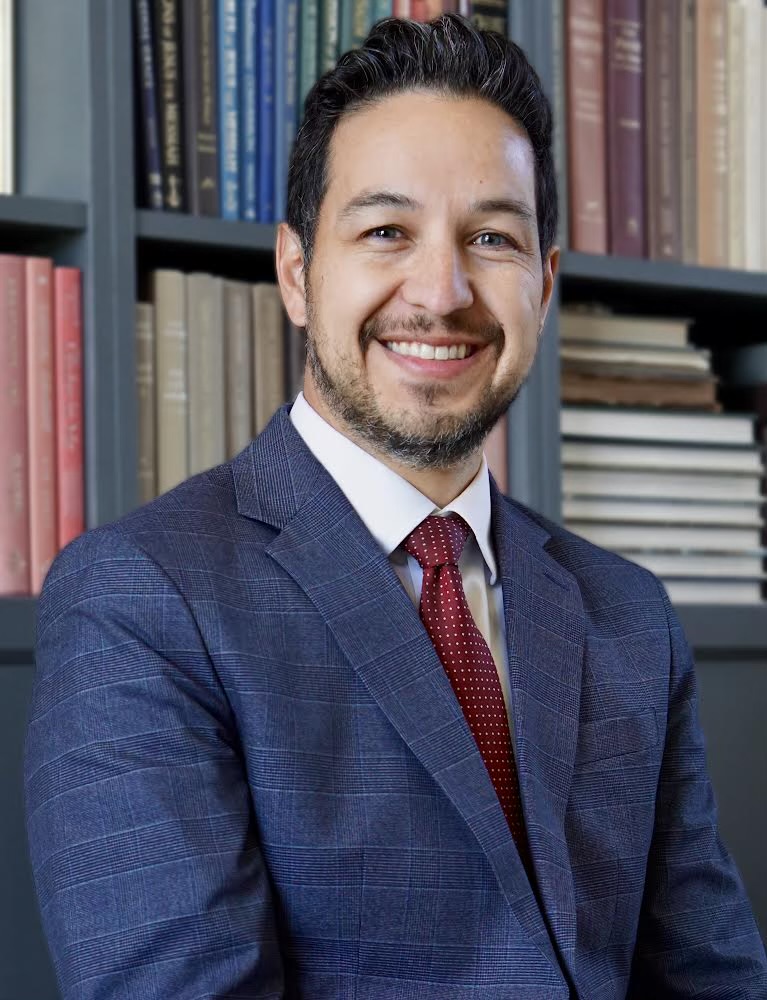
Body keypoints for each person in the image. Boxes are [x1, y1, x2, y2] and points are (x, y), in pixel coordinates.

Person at [25, 13, 766, 999]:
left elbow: (709, 976)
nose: (442, 290)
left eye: (490, 238)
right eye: (385, 231)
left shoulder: (625, 611)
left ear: (541, 286)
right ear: (296, 271)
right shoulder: (141, 599)